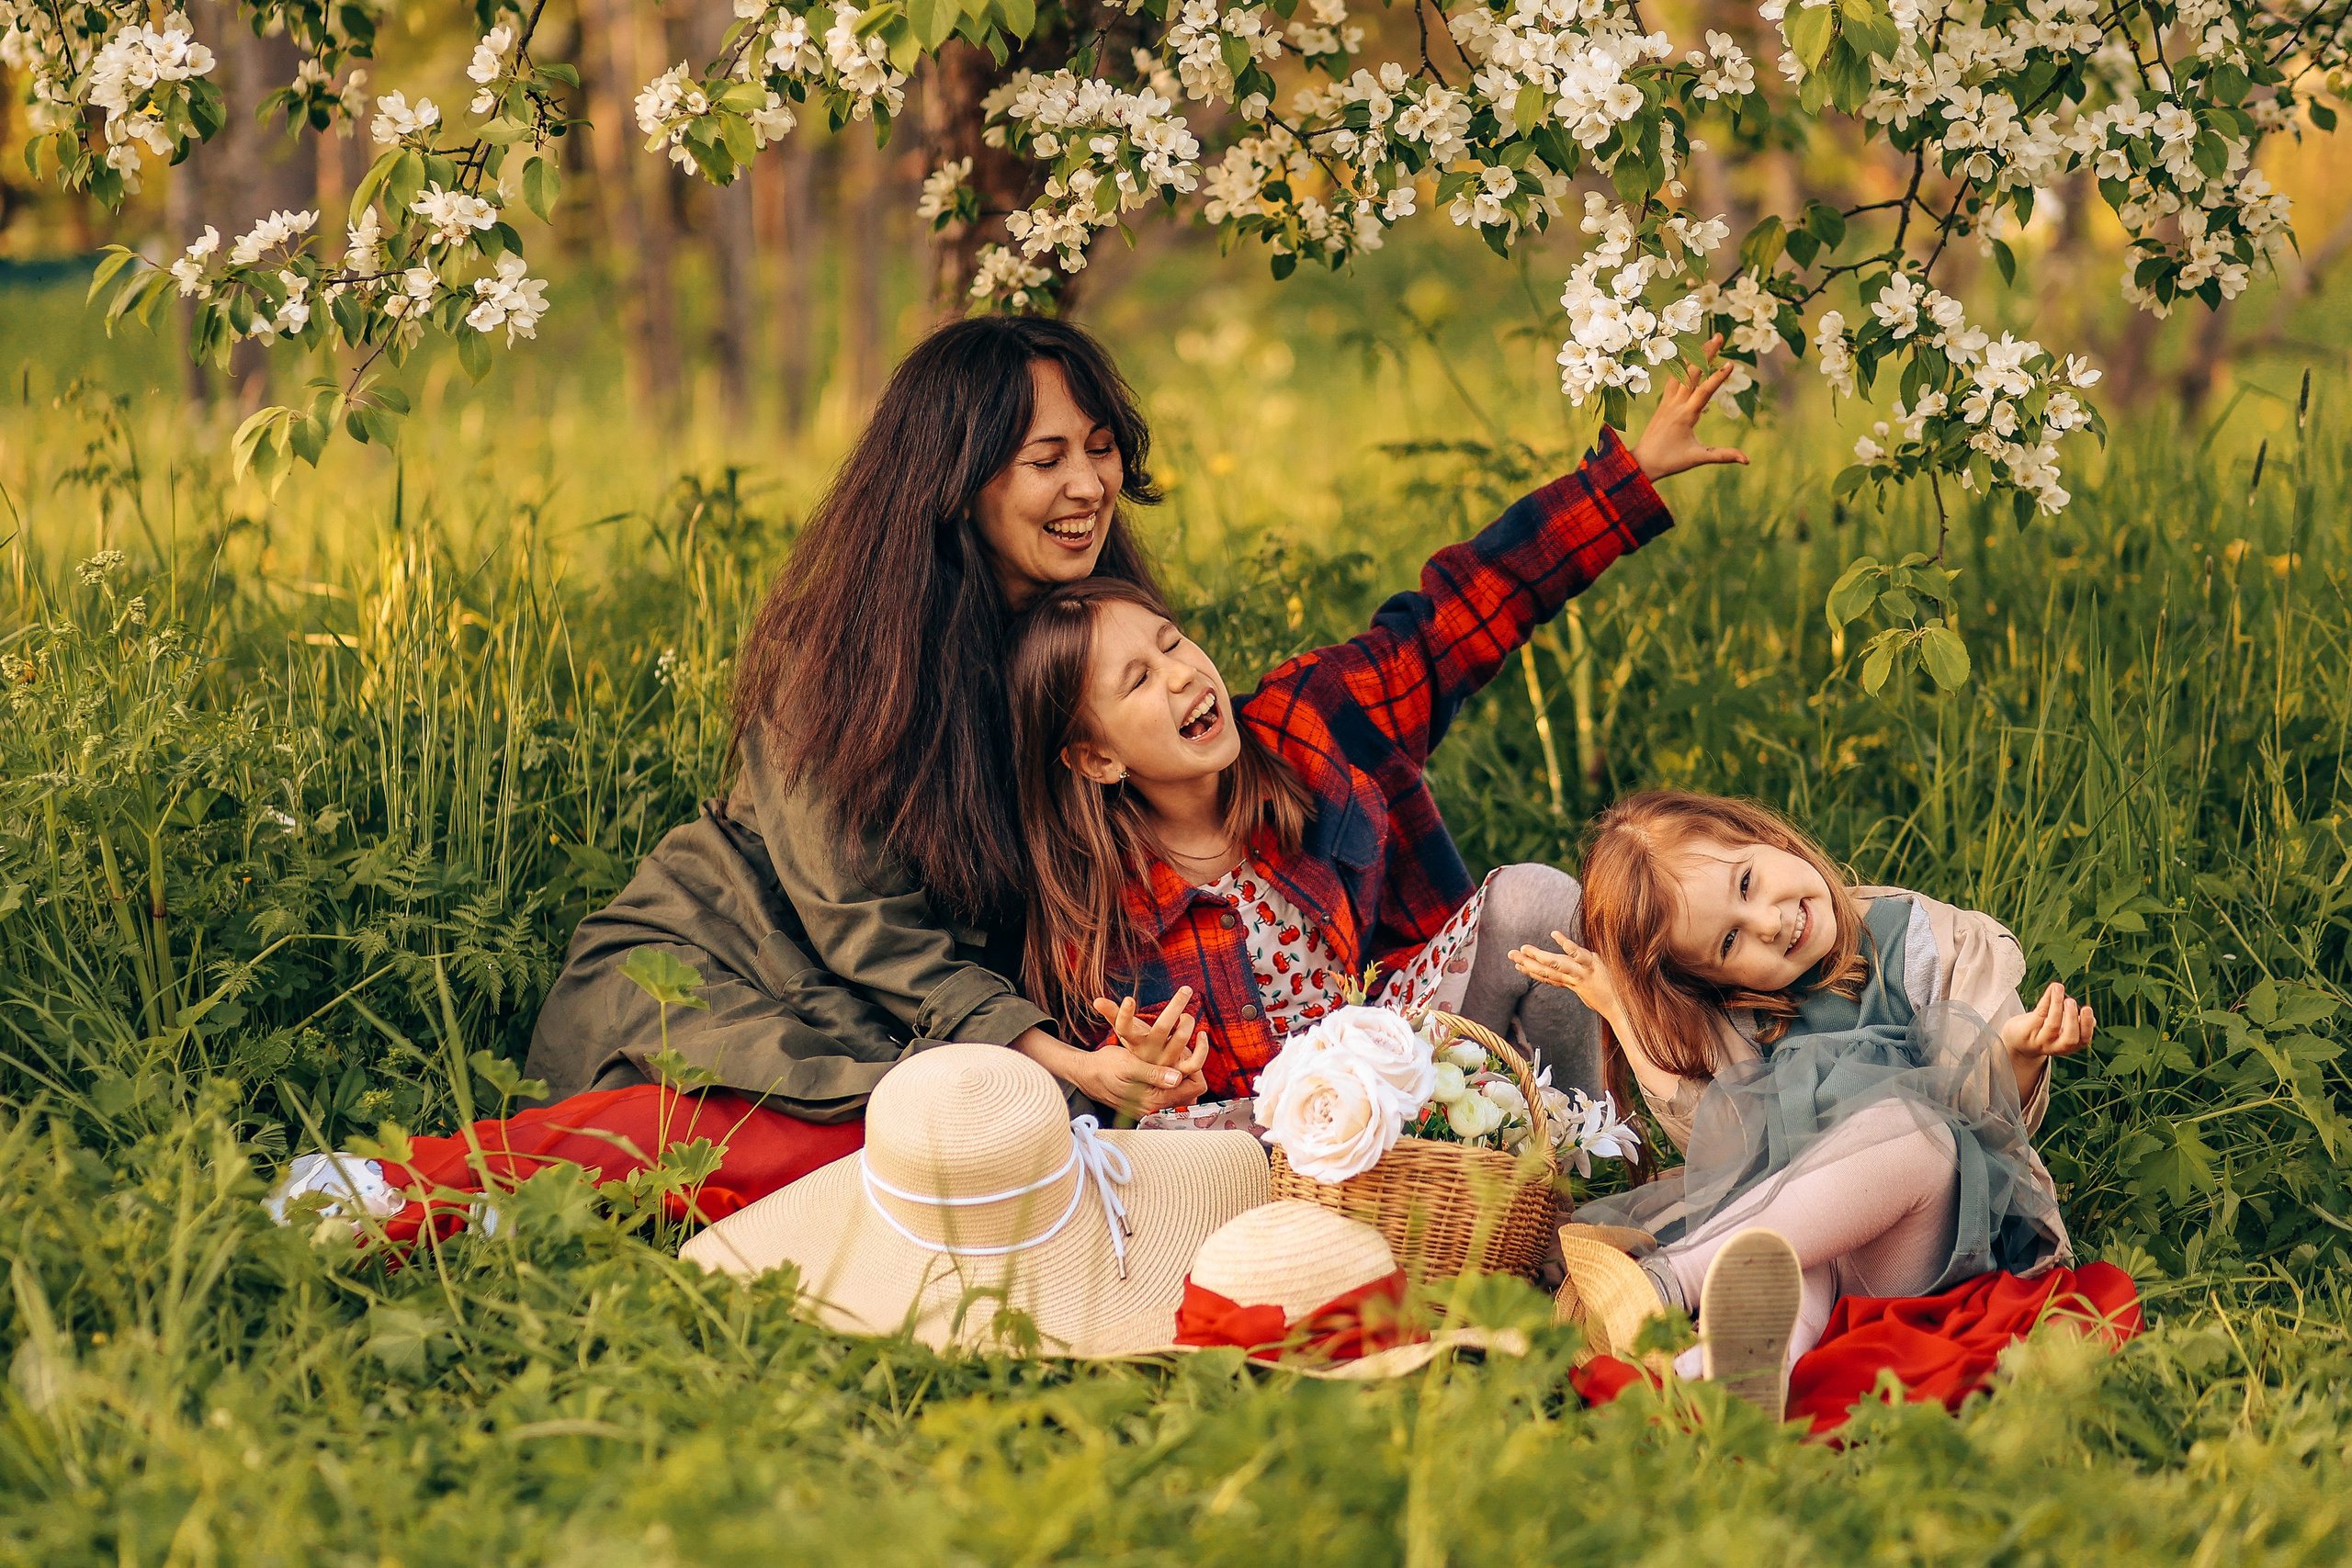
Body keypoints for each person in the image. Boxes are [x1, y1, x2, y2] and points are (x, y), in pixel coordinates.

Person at [1001, 345, 1749, 1107]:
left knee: (1536, 901)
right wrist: (1154, 1073)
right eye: (1139, 681)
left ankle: (1585, 1154)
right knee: (1168, 1153)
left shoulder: (1309, 723)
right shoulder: (1097, 901)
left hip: (1408, 1050)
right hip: (1272, 1135)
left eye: (1172, 644)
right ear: (1095, 758)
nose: (1183, 675)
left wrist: (1625, 482)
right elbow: (1129, 1078)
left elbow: (1457, 616)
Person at [527, 318, 1214, 1121]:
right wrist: (1055, 1064)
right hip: (714, 978)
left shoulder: (1100, 631)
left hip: (908, 1020)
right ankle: (393, 1186)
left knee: (1018, 1133)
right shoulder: (841, 655)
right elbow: (861, 923)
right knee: (900, 1135)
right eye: (1046, 459)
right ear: (958, 479)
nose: (1092, 486)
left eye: (1100, 448)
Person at [1510, 788, 2098, 1404]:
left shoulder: (1917, 941)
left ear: (1769, 837)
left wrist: (2019, 1054)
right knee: (1780, 1254)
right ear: (1717, 978)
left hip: (1931, 1239)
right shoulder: (1746, 1014)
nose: (1769, 922)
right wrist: (1621, 1012)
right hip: (1811, 1248)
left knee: (1915, 1131)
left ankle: (1675, 1277)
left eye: (1746, 883)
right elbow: (1723, 1149)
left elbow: (1986, 1119)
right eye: (1731, 943)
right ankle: (1734, 1377)